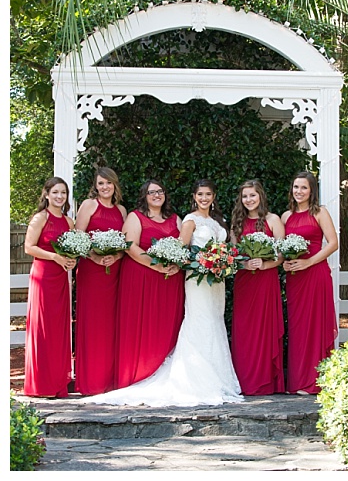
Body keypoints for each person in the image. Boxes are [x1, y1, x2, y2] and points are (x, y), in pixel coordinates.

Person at [102, 181, 242, 406]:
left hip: (216, 281)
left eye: (208, 194)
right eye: (200, 194)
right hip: (197, 279)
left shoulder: (217, 221)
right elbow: (182, 250)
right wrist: (202, 263)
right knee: (199, 321)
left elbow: (221, 247)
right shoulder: (188, 220)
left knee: (215, 322)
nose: (204, 198)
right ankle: (196, 380)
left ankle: (219, 377)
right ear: (194, 196)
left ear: (214, 196)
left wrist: (223, 262)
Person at [114, 179, 185, 388]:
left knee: (166, 328)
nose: (156, 195)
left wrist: (177, 265)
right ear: (144, 196)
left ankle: (164, 377)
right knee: (141, 328)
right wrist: (156, 266)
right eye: (152, 192)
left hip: (170, 282)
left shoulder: (175, 219)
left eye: (160, 191)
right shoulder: (136, 217)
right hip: (141, 280)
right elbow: (130, 246)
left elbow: (184, 247)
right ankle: (138, 376)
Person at [281, 172, 339, 395]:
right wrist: (286, 264)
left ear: (312, 190)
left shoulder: (319, 212)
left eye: (303, 188)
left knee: (315, 325)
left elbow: (333, 243)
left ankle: (315, 381)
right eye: (296, 187)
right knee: (297, 327)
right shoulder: (286, 216)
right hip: (295, 278)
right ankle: (298, 381)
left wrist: (308, 263)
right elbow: (284, 248)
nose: (299, 192)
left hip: (315, 274)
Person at [73, 164, 127, 395]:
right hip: (91, 271)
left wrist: (115, 255)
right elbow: (77, 237)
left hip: (114, 272)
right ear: (95, 187)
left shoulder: (122, 211)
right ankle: (91, 381)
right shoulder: (88, 205)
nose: (105, 187)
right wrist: (94, 256)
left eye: (108, 183)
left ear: (115, 185)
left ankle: (109, 380)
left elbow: (126, 243)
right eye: (100, 183)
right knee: (93, 323)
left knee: (112, 325)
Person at [229, 178, 285, 396]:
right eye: (245, 196)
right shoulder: (237, 224)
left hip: (265, 281)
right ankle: (245, 382)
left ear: (260, 196)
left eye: (252, 195)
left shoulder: (273, 220)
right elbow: (233, 256)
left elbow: (282, 253)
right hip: (245, 282)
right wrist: (245, 263)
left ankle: (265, 382)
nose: (249, 199)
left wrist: (265, 264)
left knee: (265, 328)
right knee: (244, 331)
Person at [23, 176, 75, 398]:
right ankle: (41, 384)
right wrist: (54, 256)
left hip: (61, 277)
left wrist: (71, 259)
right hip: (43, 277)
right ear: (46, 194)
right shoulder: (40, 218)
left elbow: (71, 249)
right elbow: (29, 247)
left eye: (63, 192)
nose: (59, 196)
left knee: (58, 328)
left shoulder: (69, 221)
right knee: (43, 328)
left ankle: (57, 382)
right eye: (55, 192)